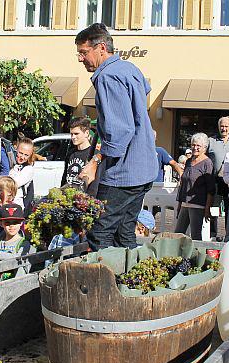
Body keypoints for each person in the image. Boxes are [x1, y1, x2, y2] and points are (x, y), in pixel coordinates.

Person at [75, 23, 157, 250]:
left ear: (101, 48)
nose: (80, 59)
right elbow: (145, 92)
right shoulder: (129, 68)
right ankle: (129, 283)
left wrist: (95, 162)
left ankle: (106, 285)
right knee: (124, 234)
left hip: (124, 172)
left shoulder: (107, 76)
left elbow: (119, 131)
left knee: (100, 232)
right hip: (143, 168)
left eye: (83, 52)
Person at [174, 133, 215, 241]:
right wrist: (179, 204)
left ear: (204, 148)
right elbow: (184, 183)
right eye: (193, 145)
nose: (195, 148)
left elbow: (210, 188)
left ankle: (197, 256)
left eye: (198, 146)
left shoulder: (207, 163)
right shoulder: (188, 161)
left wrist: (207, 208)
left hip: (198, 204)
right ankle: (176, 257)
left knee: (196, 235)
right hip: (185, 203)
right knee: (178, 234)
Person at [207, 116, 229, 238]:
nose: (224, 129)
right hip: (216, 180)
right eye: (222, 126)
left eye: (226, 126)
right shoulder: (211, 141)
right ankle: (212, 235)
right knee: (213, 208)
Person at [62, 117, 94, 190]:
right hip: (69, 195)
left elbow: (94, 182)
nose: (73, 137)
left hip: (84, 198)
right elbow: (65, 177)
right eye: (71, 134)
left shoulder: (93, 154)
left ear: (86, 133)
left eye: (76, 134)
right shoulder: (71, 153)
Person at [9, 137, 35, 211]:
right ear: (16, 149)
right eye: (20, 153)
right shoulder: (10, 164)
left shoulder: (29, 169)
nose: (22, 157)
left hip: (18, 207)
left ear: (30, 155)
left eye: (26, 155)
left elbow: (13, 184)